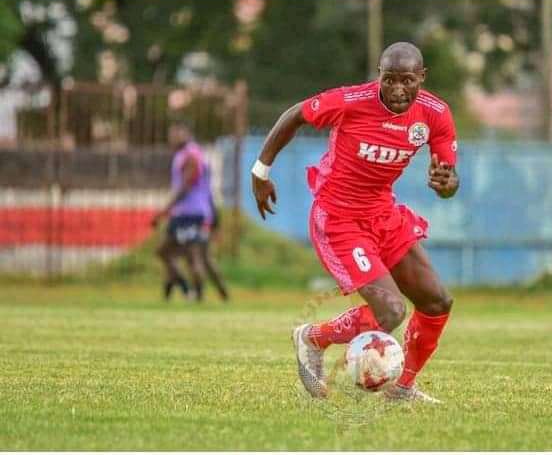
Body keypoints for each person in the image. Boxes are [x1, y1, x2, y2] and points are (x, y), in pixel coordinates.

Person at [251, 42, 459, 402]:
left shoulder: (435, 114)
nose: (397, 89)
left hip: (383, 216)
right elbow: (296, 114)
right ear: (379, 75)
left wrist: (448, 184)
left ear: (421, 78)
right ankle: (312, 338)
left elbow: (448, 179)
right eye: (389, 79)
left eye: (407, 80)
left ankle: (401, 388)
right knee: (391, 310)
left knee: (437, 301)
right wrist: (260, 170)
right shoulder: (351, 101)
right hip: (339, 218)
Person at [153, 120, 228, 302]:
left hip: (191, 213)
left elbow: (186, 186)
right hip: (185, 213)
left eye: (175, 133)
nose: (172, 137)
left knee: (193, 256)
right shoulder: (183, 154)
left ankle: (196, 295)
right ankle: (189, 291)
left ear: (185, 132)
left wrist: (164, 210)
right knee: (171, 253)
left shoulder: (192, 155)